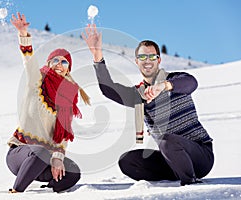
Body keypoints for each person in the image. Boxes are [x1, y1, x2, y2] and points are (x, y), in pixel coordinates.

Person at [82, 24, 214, 186]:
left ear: (159, 59)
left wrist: (162, 86)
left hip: (201, 156)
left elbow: (191, 83)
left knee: (167, 140)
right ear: (137, 61)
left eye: (152, 57)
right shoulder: (139, 95)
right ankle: (176, 173)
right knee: (128, 161)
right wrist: (97, 57)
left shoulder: (176, 79)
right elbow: (109, 90)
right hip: (172, 159)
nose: (147, 61)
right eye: (143, 57)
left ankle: (190, 182)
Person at [6, 13, 90, 193]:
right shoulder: (37, 80)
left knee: (73, 171)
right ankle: (17, 191)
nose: (59, 64)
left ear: (69, 68)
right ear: (48, 63)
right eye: (55, 60)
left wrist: (58, 158)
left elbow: (62, 137)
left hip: (43, 161)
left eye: (64, 61)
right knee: (41, 152)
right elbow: (28, 61)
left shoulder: (68, 97)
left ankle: (48, 191)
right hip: (20, 154)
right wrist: (23, 34)